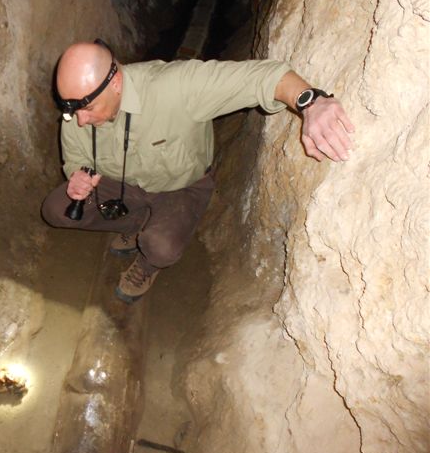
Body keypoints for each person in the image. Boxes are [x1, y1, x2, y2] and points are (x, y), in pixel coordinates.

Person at [41, 39, 355, 303]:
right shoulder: (78, 112)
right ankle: (135, 224)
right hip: (123, 184)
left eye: (87, 109)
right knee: (56, 209)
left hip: (181, 186)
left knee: (161, 247)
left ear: (116, 82)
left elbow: (265, 76)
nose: (79, 120)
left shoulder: (176, 86)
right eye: (72, 110)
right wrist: (79, 177)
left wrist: (311, 102)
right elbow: (77, 158)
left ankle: (147, 262)